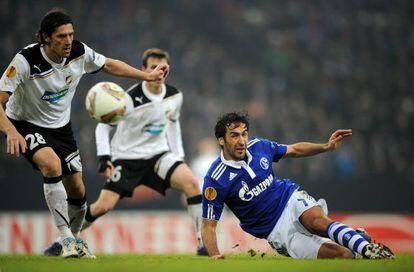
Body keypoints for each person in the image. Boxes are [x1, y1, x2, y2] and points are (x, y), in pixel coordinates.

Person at [0, 9, 168, 259]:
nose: (68, 41)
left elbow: (110, 64)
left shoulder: (79, 52)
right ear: (46, 38)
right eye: (61, 36)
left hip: (60, 127)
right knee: (51, 165)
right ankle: (66, 239)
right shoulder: (26, 60)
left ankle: (76, 239)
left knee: (78, 190)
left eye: (70, 34)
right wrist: (11, 131)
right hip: (25, 123)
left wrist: (147, 75)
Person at [45, 48, 207, 256]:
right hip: (127, 159)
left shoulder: (175, 96)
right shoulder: (128, 99)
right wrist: (105, 157)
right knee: (102, 207)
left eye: (164, 69)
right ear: (143, 70)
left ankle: (203, 244)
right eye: (154, 68)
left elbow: (173, 124)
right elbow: (102, 126)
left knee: (192, 184)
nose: (160, 73)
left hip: (159, 156)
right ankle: (64, 239)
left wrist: (179, 156)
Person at [201, 112, 394, 259]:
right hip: (276, 231)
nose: (242, 141)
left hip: (290, 199)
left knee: (316, 222)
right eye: (234, 136)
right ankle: (355, 239)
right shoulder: (216, 179)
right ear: (221, 140)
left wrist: (326, 146)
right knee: (342, 255)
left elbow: (293, 149)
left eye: (244, 134)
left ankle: (369, 249)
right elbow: (209, 225)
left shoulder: (259, 146)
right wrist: (215, 255)